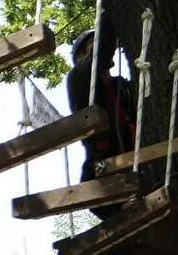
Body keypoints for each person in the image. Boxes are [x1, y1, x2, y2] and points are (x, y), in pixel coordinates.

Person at [65, 21, 135, 218]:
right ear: (81, 54)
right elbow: (102, 48)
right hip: (104, 161)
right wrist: (108, 8)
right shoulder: (79, 75)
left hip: (131, 155)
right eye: (91, 43)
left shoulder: (118, 85)